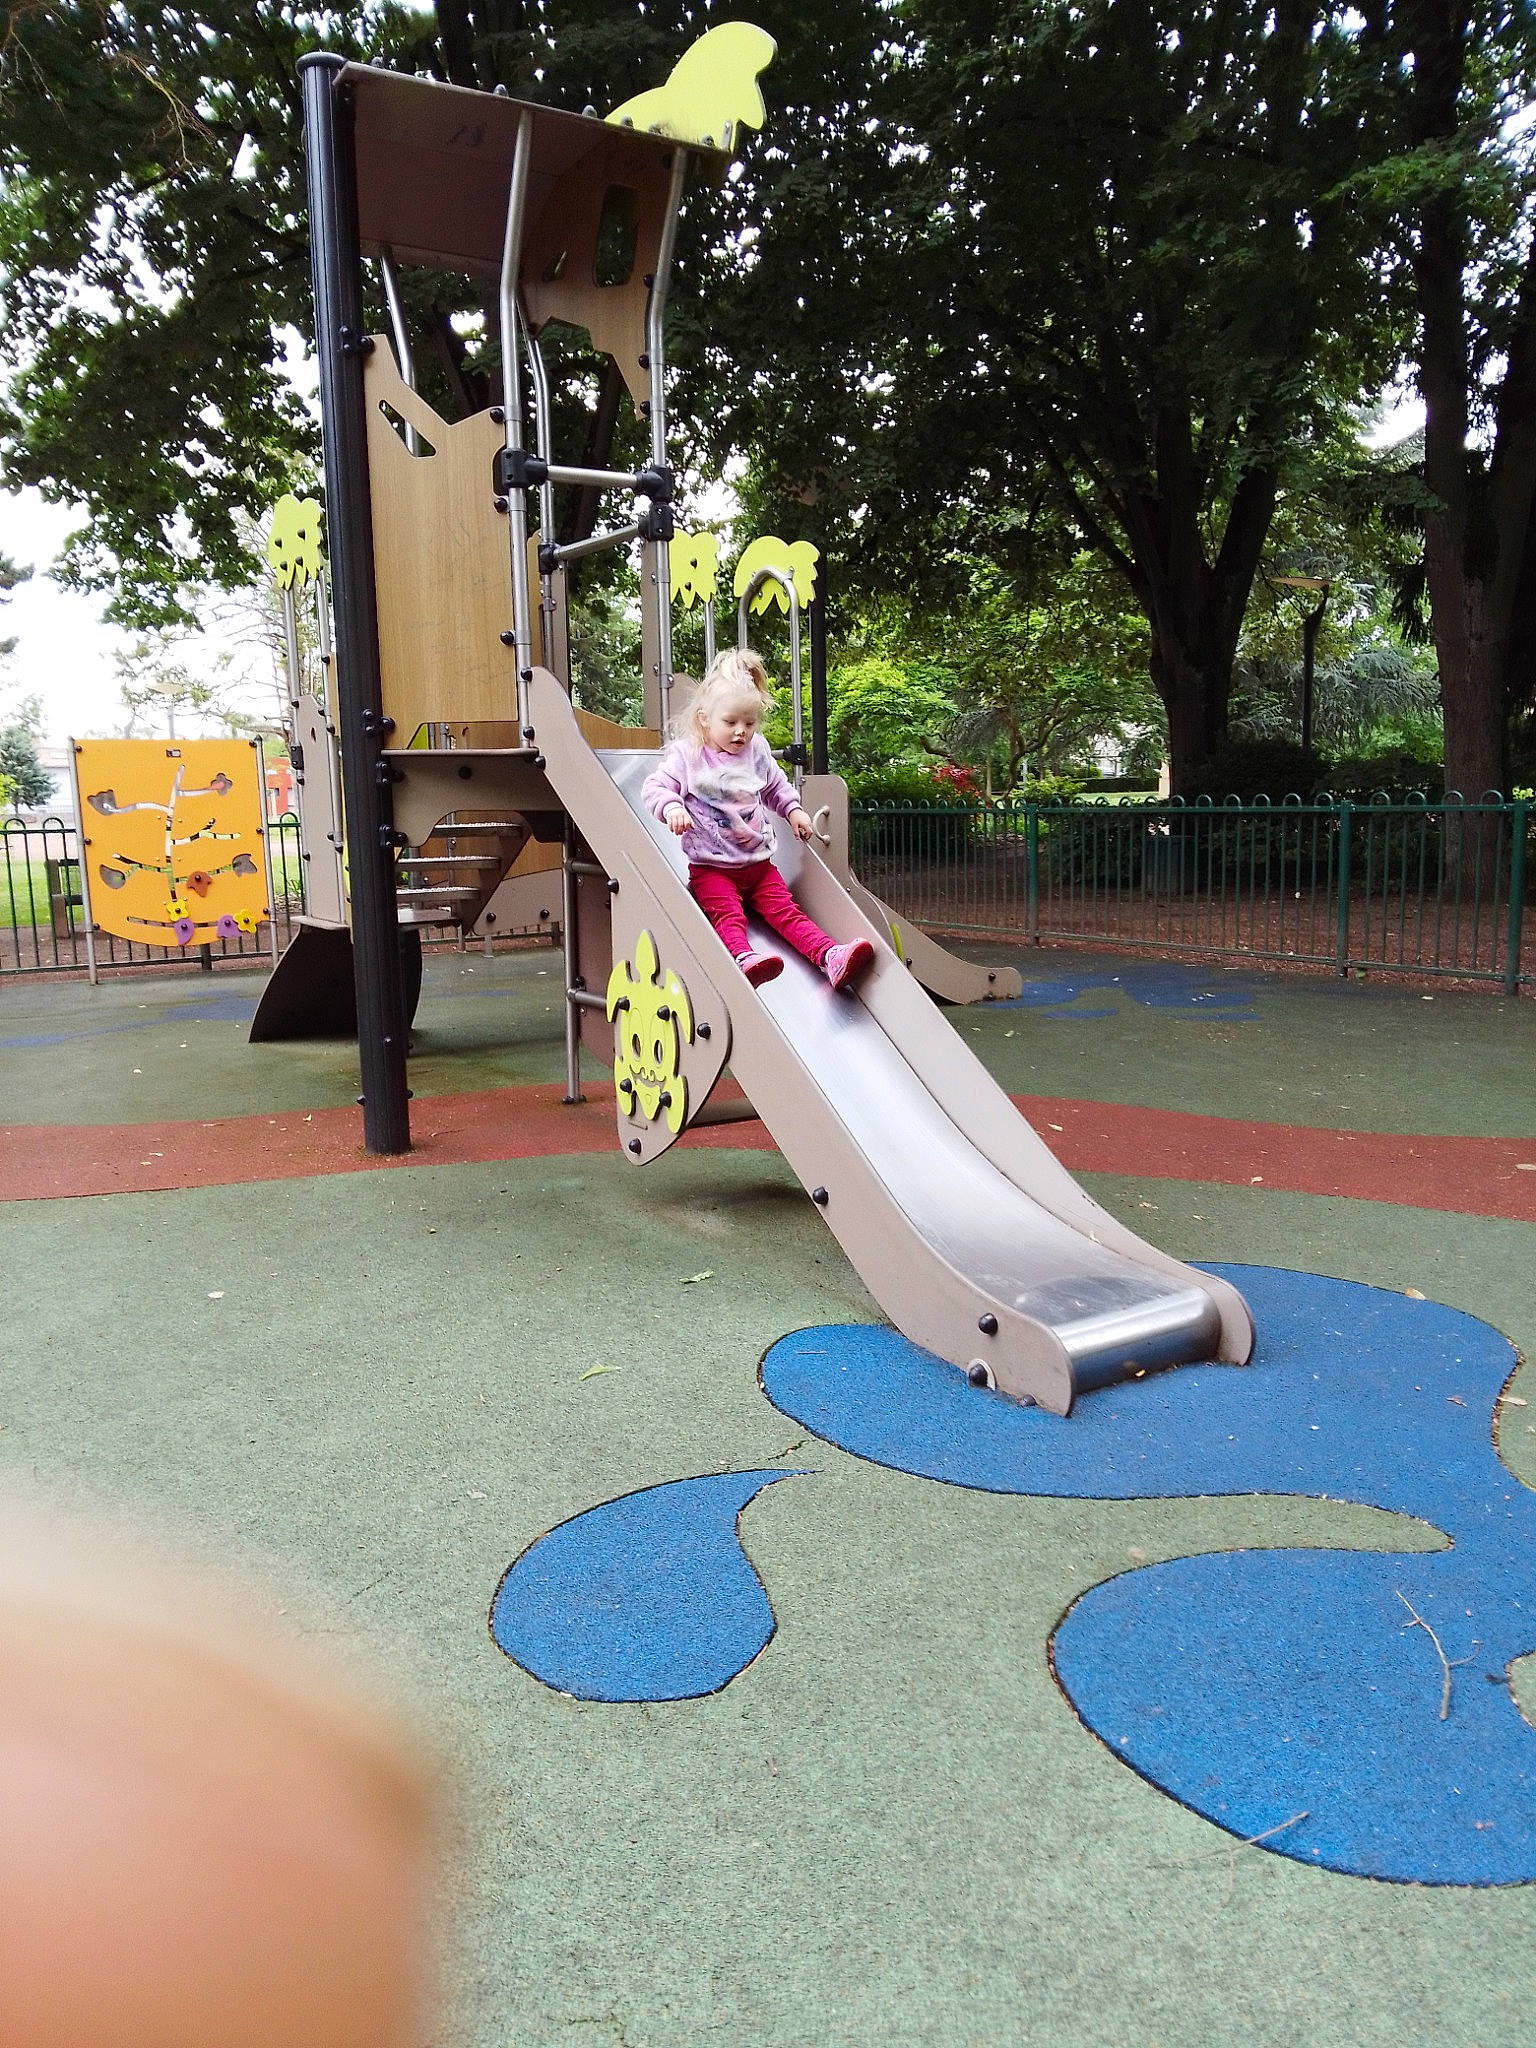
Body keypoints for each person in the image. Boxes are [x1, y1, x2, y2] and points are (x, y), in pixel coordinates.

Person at [641, 649, 875, 990]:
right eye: (730, 722)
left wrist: (794, 811)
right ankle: (743, 959)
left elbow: (776, 786)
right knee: (728, 914)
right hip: (712, 868)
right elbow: (656, 786)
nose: (741, 732)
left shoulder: (757, 750)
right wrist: (672, 807)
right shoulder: (689, 755)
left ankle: (829, 957)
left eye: (749, 724)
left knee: (787, 913)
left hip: (758, 866)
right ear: (705, 719)